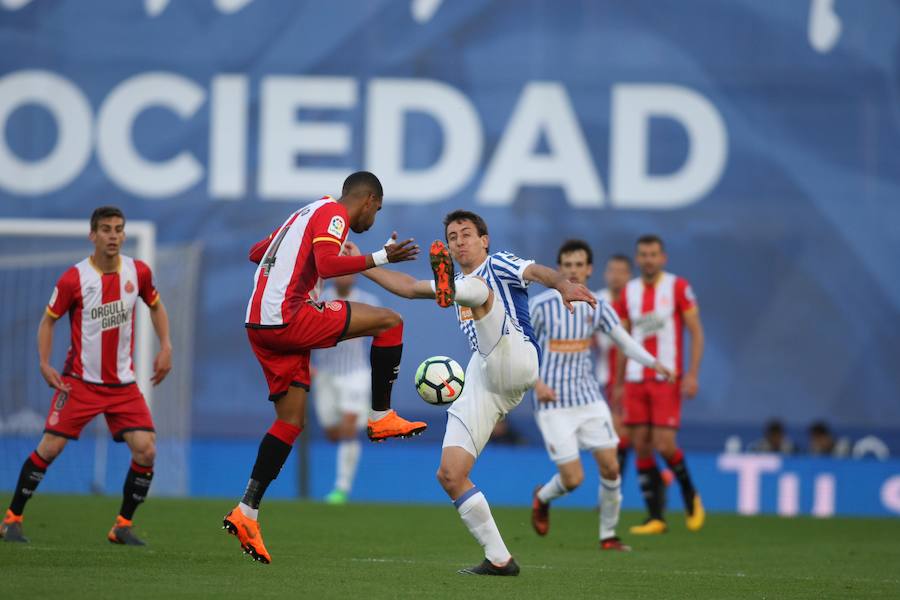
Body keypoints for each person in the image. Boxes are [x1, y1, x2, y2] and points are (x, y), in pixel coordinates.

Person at [348, 209, 597, 576]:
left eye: (466, 234)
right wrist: (357, 263)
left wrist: (561, 284)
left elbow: (536, 272)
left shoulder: (499, 263)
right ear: (448, 248)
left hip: (518, 354)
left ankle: (454, 291)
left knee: (478, 291)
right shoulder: (458, 280)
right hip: (485, 376)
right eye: (452, 237)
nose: (460, 241)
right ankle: (500, 559)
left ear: (485, 239)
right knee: (450, 474)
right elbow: (404, 286)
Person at [223, 171, 425, 564]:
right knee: (390, 322)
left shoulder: (305, 212)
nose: (374, 219)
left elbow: (255, 252)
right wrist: (380, 256)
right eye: (377, 209)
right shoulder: (334, 213)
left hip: (258, 324)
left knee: (290, 421)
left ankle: (247, 511)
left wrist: (298, 257)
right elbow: (329, 265)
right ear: (367, 200)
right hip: (287, 317)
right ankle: (381, 415)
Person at [0, 206, 172, 546]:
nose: (113, 235)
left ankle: (122, 526)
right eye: (106, 229)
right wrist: (44, 362)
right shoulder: (73, 279)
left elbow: (155, 305)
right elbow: (48, 320)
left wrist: (166, 345)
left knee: (147, 450)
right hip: (79, 382)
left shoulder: (138, 272)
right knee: (50, 448)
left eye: (118, 229)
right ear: (92, 235)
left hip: (122, 384)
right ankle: (11, 519)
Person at [529, 240, 674, 552]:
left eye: (579, 265)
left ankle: (608, 536)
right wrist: (535, 383)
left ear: (589, 269)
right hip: (552, 402)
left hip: (589, 399)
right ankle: (542, 498)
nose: (573, 271)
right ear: (559, 269)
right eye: (567, 265)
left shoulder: (596, 305)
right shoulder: (540, 307)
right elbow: (519, 346)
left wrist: (653, 363)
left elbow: (623, 341)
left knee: (611, 466)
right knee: (573, 479)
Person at [612, 234, 705, 535]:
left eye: (653, 254)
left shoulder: (678, 287)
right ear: (637, 259)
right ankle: (656, 517)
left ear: (662, 258)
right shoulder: (629, 292)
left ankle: (690, 495)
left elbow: (696, 332)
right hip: (636, 380)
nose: (648, 259)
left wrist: (691, 374)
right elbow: (623, 340)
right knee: (640, 445)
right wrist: (618, 382)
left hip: (666, 378)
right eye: (643, 254)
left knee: (665, 444)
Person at [311, 274, 380, 504]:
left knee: (349, 428)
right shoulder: (319, 300)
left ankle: (341, 489)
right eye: (340, 271)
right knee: (332, 433)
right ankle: (365, 420)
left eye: (348, 271)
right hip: (326, 374)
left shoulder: (368, 302)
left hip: (356, 373)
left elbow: (382, 338)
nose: (344, 276)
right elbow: (302, 332)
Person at [593, 253, 634, 472]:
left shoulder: (635, 301)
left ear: (629, 275)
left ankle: (613, 488)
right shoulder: (598, 300)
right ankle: (612, 488)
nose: (615, 276)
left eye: (621, 272)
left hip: (632, 378)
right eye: (612, 271)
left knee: (627, 435)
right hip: (604, 377)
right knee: (611, 435)